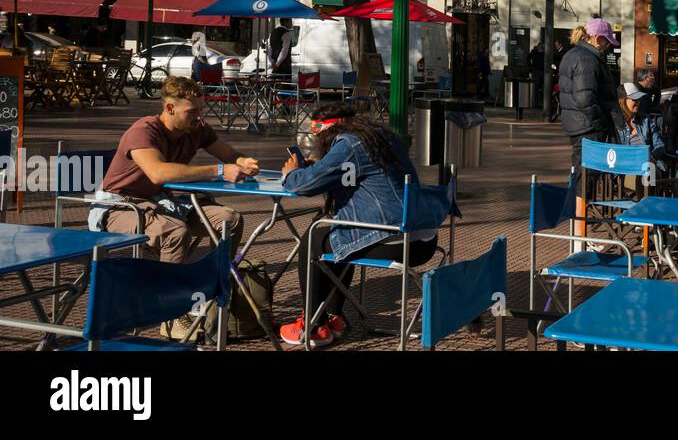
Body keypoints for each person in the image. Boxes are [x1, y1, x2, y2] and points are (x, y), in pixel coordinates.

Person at [278, 106, 437, 348]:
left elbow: (303, 185)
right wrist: (325, 164)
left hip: (398, 240)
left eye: (319, 136)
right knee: (335, 232)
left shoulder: (349, 144)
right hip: (423, 239)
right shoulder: (381, 137)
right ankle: (334, 318)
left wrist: (292, 172)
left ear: (328, 132)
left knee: (313, 239)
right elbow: (360, 171)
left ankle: (312, 325)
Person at [98, 76, 256, 265]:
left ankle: (215, 285)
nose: (199, 117)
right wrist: (219, 170)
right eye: (192, 111)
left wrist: (243, 161)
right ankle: (167, 293)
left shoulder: (197, 128)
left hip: (162, 203)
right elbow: (158, 173)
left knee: (230, 220)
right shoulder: (143, 131)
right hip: (120, 206)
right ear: (170, 109)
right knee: (175, 233)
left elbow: (228, 153)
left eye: (201, 110)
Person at [557, 19, 622, 167]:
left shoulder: (574, 54)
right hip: (588, 127)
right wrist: (601, 124)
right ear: (599, 39)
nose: (608, 45)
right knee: (587, 173)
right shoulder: (587, 59)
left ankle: (577, 190)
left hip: (579, 124)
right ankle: (580, 191)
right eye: (607, 41)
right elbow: (585, 98)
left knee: (581, 170)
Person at [529, 42, 545, 108]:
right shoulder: (534, 52)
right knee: (536, 87)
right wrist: (531, 68)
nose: (541, 48)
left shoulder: (544, 52)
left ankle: (541, 101)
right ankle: (535, 102)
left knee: (543, 87)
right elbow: (528, 59)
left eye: (542, 47)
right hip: (536, 71)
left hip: (542, 71)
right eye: (540, 46)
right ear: (538, 46)